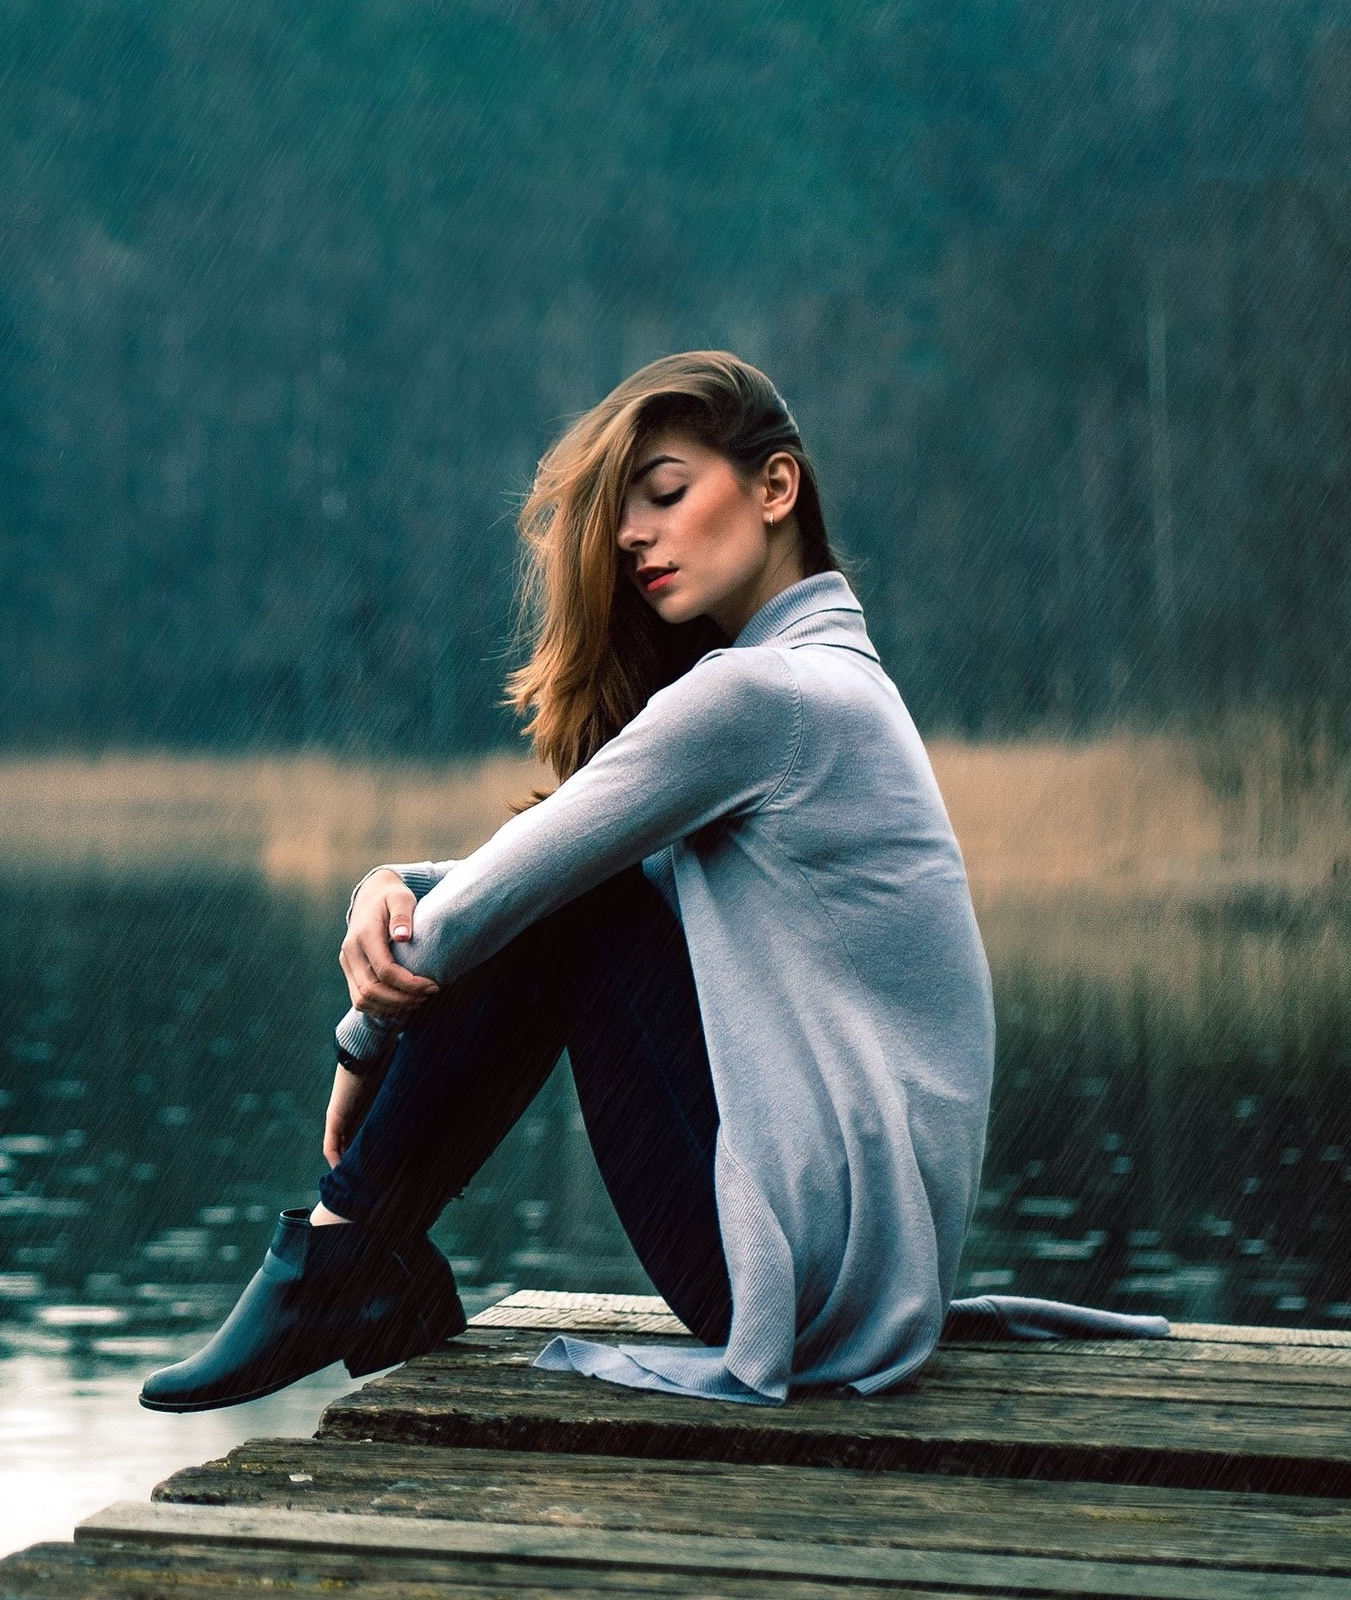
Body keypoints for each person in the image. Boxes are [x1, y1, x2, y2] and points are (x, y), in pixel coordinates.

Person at [138, 351, 1162, 1413]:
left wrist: (362, 1044)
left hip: (795, 1279)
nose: (633, 536)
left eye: (666, 495)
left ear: (775, 489)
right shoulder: (831, 687)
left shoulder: (763, 698)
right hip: (857, 1275)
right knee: (575, 900)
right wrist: (386, 882)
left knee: (574, 905)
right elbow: (525, 878)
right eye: (625, 519)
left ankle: (343, 1258)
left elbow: (524, 891)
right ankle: (355, 1265)